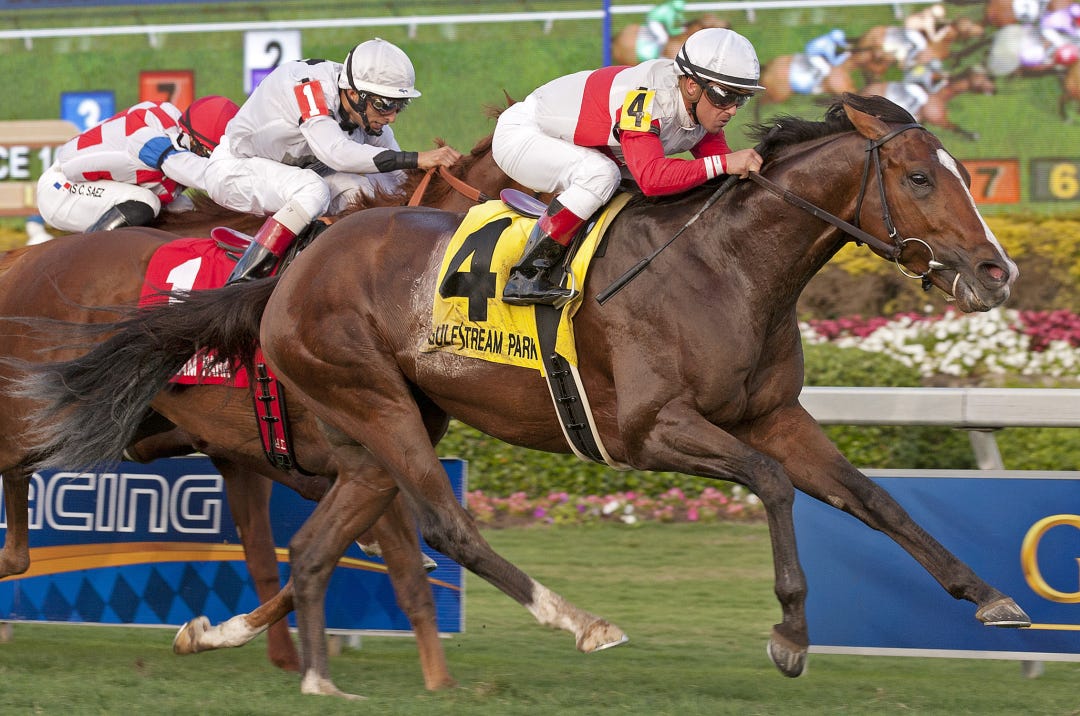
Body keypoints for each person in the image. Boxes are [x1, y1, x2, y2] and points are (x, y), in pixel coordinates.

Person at [492, 27, 764, 306]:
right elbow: (652, 178)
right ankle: (525, 276)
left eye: (741, 98)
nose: (732, 109)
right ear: (692, 85)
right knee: (601, 175)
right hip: (524, 134)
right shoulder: (645, 97)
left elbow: (722, 175)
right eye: (724, 95)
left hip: (582, 146)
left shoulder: (702, 109)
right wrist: (724, 163)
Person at [209, 37, 462, 283]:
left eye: (400, 105)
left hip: (293, 170)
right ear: (353, 93)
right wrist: (417, 158)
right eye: (385, 104)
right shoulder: (310, 89)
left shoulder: (364, 109)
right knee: (313, 191)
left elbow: (399, 180)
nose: (392, 117)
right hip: (237, 167)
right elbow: (336, 153)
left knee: (364, 192)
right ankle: (242, 284)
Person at [35, 95, 239, 233]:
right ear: (193, 140)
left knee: (188, 210)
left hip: (91, 186)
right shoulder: (149, 139)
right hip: (61, 190)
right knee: (146, 203)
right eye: (208, 154)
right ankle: (84, 261)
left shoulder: (175, 131)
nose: (209, 160)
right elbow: (202, 173)